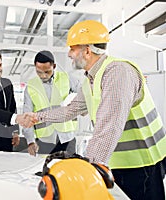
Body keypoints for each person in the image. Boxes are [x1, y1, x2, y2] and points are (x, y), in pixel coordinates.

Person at [21, 20, 166, 200]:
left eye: (72, 49)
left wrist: (87, 172)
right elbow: (71, 110)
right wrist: (37, 116)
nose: (69, 54)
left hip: (142, 164)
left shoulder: (117, 72)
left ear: (87, 51)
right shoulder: (91, 78)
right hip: (118, 163)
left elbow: (109, 126)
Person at [23, 50, 76, 156]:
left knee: (70, 170)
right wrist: (30, 141)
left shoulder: (67, 79)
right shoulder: (31, 86)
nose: (43, 76)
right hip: (45, 141)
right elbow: (27, 117)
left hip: (67, 138)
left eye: (47, 71)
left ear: (54, 66)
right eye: (39, 72)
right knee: (46, 171)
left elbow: (82, 96)